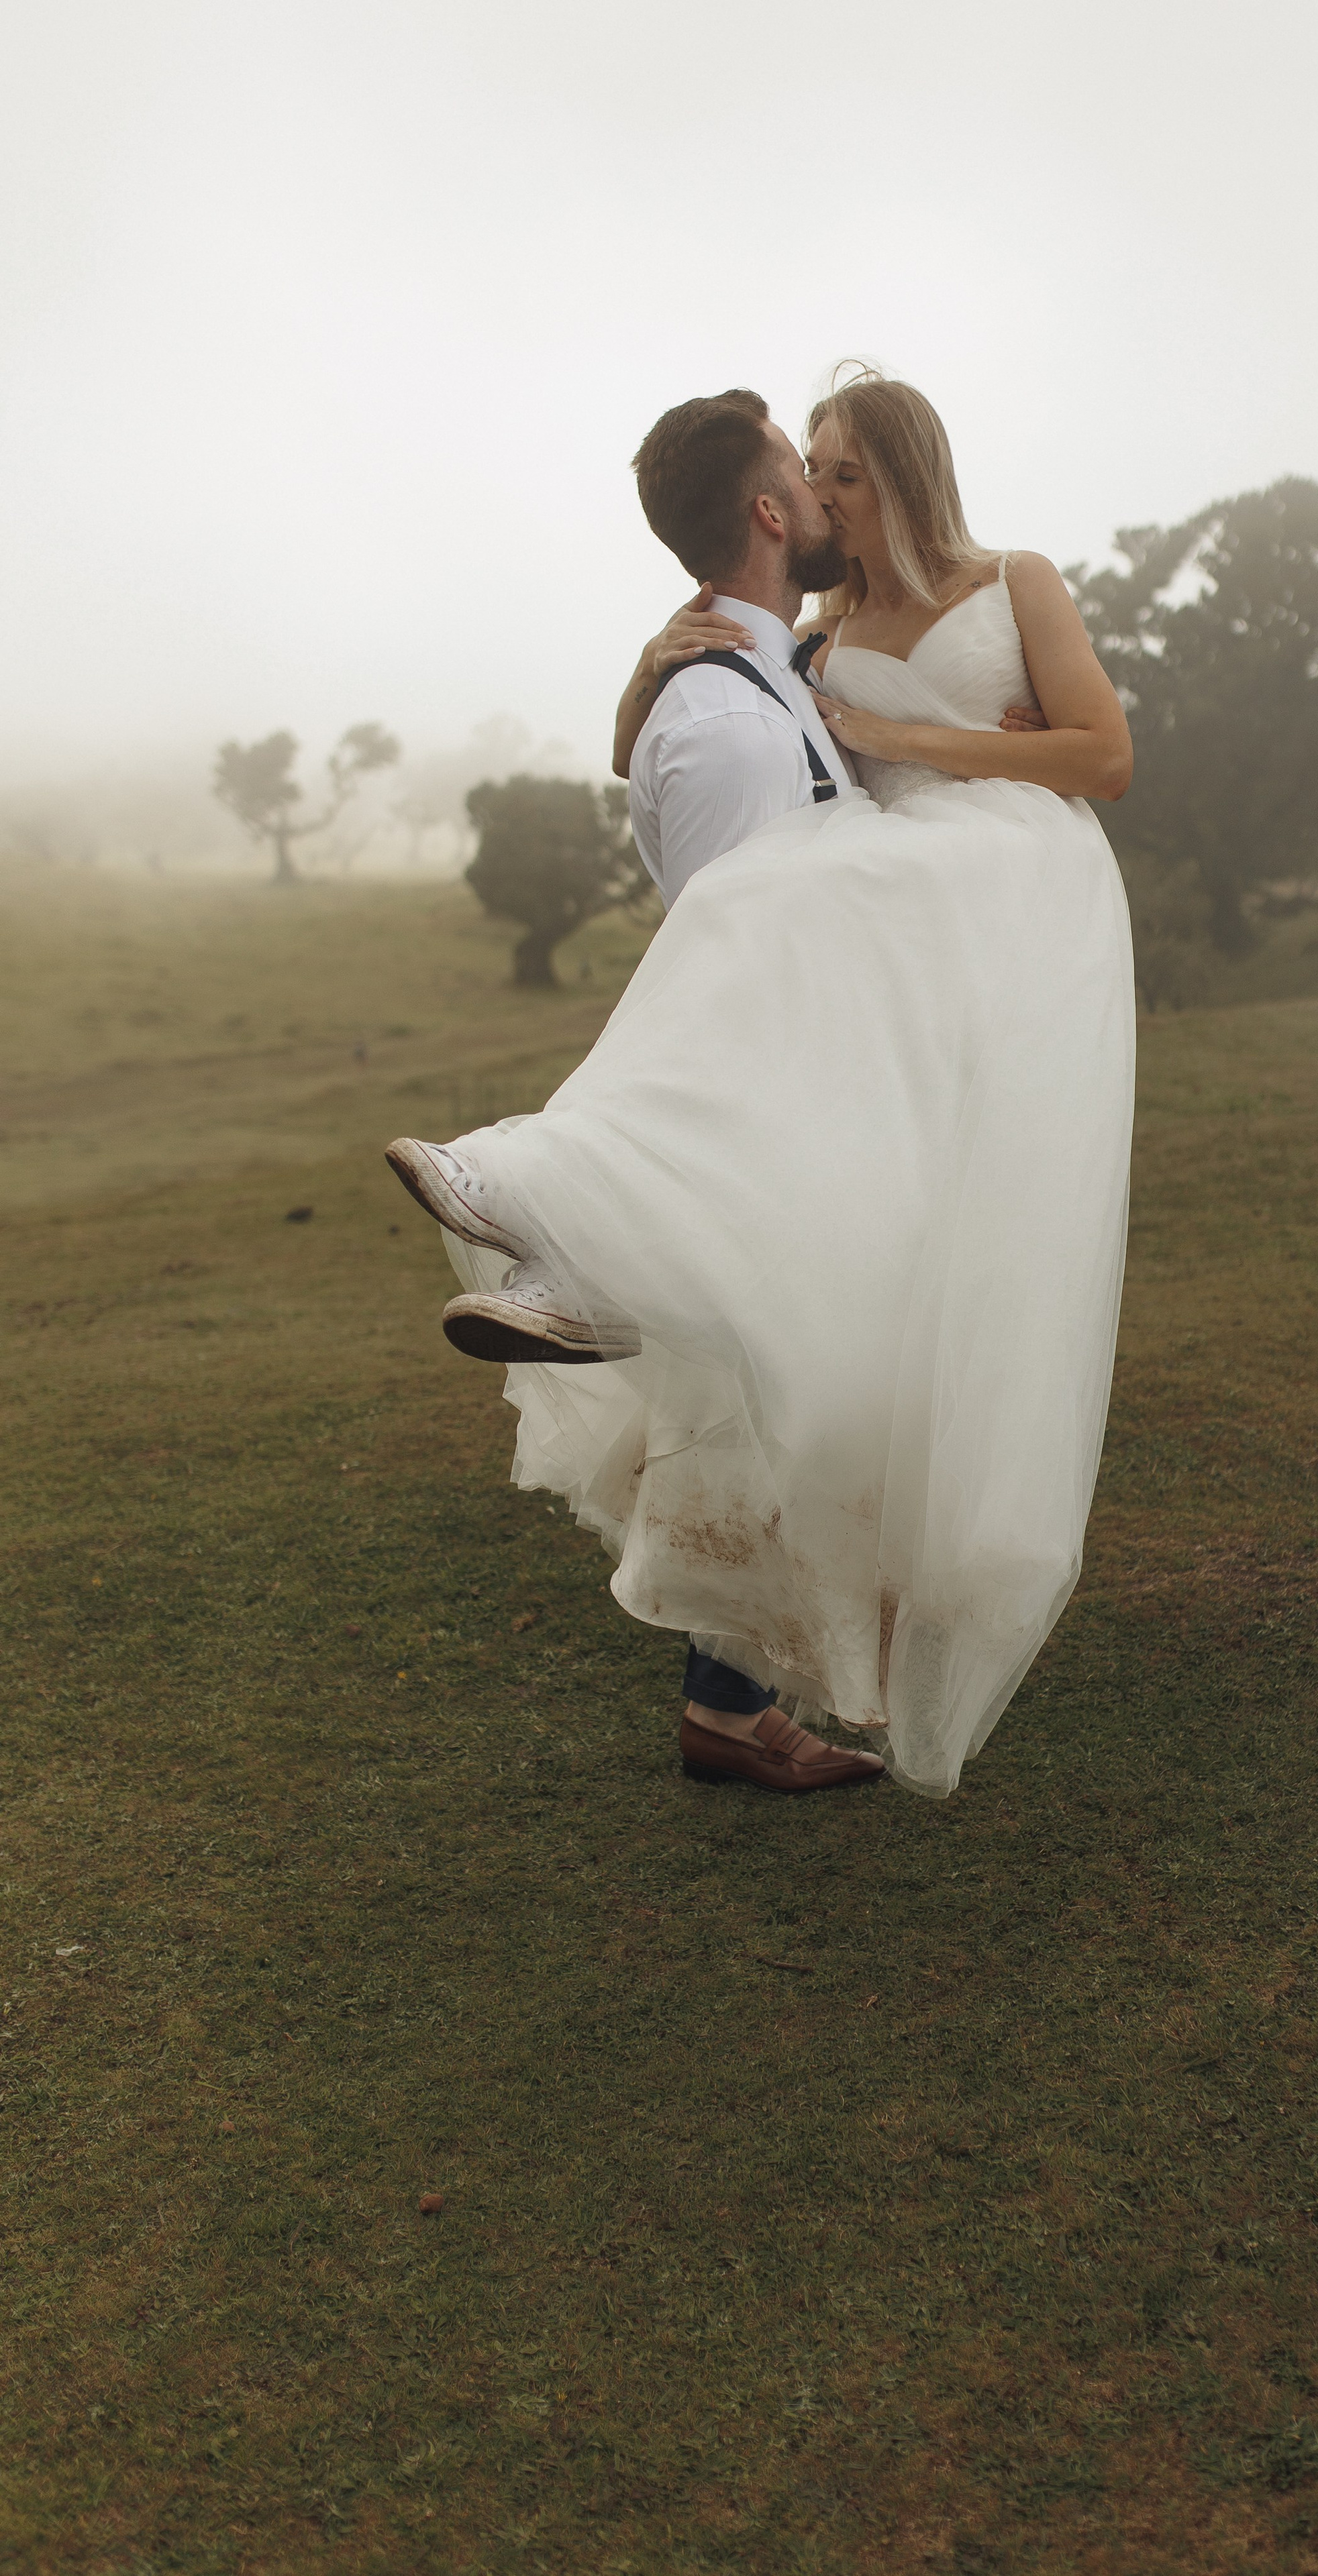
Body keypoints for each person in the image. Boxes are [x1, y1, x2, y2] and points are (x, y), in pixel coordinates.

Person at [387, 370, 1136, 1801]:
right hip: (887, 950)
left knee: (766, 941)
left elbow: (1100, 755)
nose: (823, 496)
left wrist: (909, 748)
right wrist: (635, 683)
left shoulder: (1012, 581)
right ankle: (572, 1227)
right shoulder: (818, 635)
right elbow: (665, 746)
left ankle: (563, 1213)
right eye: (815, 472)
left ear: (900, 475)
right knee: (817, 1248)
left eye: (843, 472)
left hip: (1003, 912)